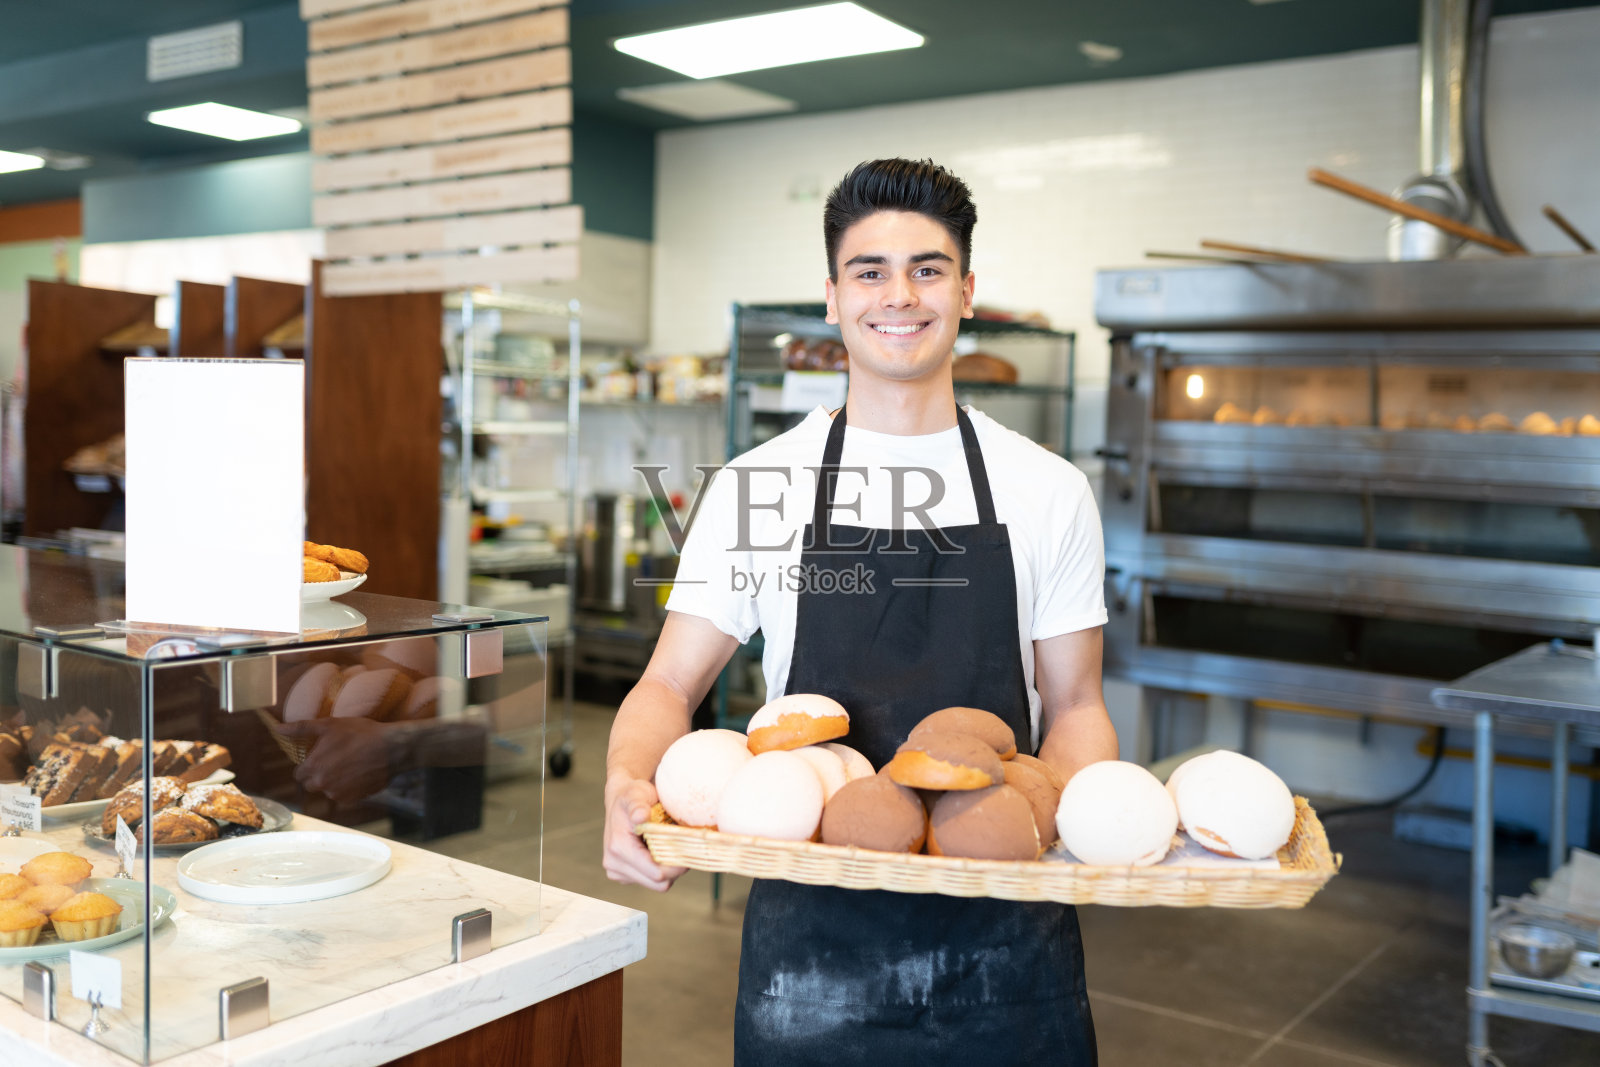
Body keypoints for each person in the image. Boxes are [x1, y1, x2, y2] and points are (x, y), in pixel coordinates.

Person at [603, 157, 1115, 1064]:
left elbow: (1074, 705)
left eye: (927, 268)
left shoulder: (1048, 489)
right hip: (811, 954)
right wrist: (626, 789)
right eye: (869, 270)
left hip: (1007, 936)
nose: (900, 294)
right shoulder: (759, 485)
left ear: (966, 291)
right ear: (833, 298)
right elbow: (669, 682)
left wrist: (1078, 832)